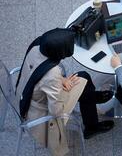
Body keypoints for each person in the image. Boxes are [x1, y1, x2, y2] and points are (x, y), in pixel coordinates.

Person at [16, 28, 114, 156]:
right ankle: (91, 127)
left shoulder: (37, 46)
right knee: (83, 78)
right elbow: (56, 111)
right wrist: (59, 85)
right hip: (42, 111)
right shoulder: (52, 74)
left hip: (26, 95)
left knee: (83, 80)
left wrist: (61, 79)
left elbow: (38, 71)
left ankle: (91, 97)